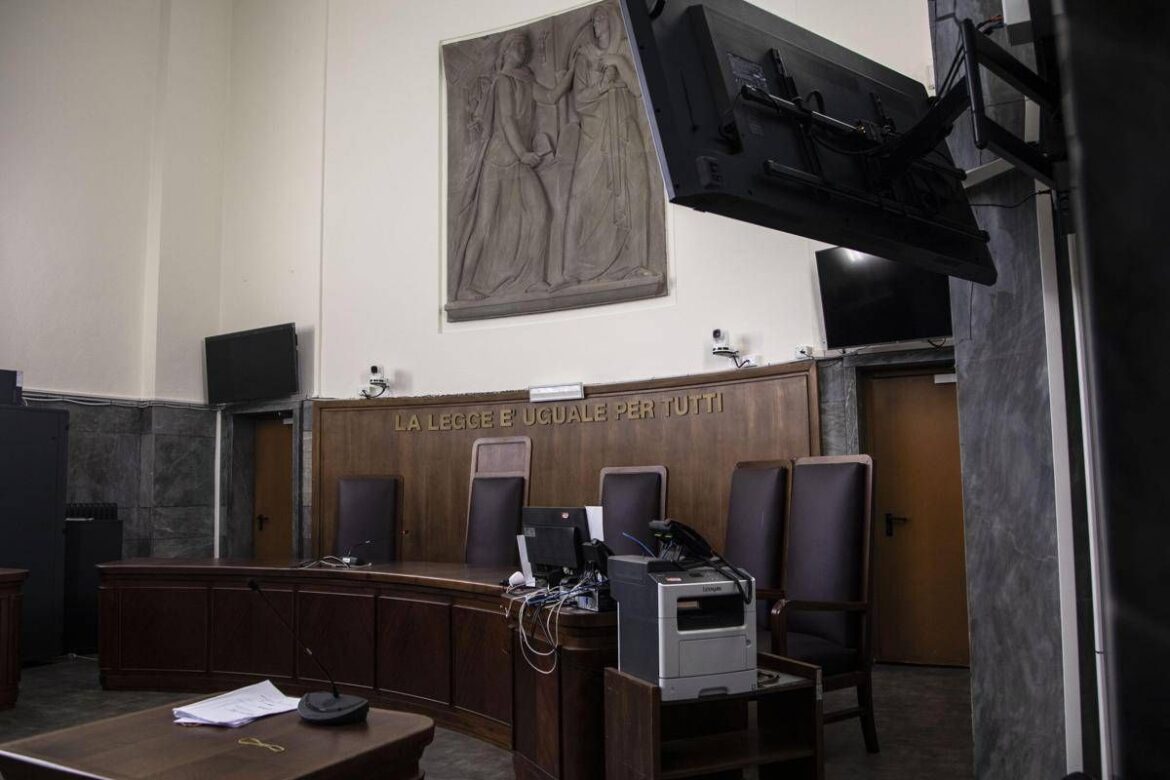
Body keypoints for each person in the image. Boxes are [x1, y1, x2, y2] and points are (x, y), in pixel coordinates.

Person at [559, 5, 657, 285]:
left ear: (613, 21)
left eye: (601, 18)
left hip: (624, 129)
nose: (596, 23)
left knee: (638, 188)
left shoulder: (625, 49)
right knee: (579, 196)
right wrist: (603, 86)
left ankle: (638, 262)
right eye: (593, 20)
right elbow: (579, 100)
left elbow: (637, 89)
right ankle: (571, 270)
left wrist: (618, 61)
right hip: (595, 136)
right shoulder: (584, 57)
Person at [452, 31, 551, 300]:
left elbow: (551, 97)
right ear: (505, 51)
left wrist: (572, 72)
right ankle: (464, 286)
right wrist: (523, 153)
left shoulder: (526, 79)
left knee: (541, 213)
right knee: (484, 224)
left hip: (519, 160)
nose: (523, 49)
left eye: (525, 46)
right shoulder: (503, 81)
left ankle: (535, 278)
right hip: (498, 160)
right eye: (517, 45)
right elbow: (507, 120)